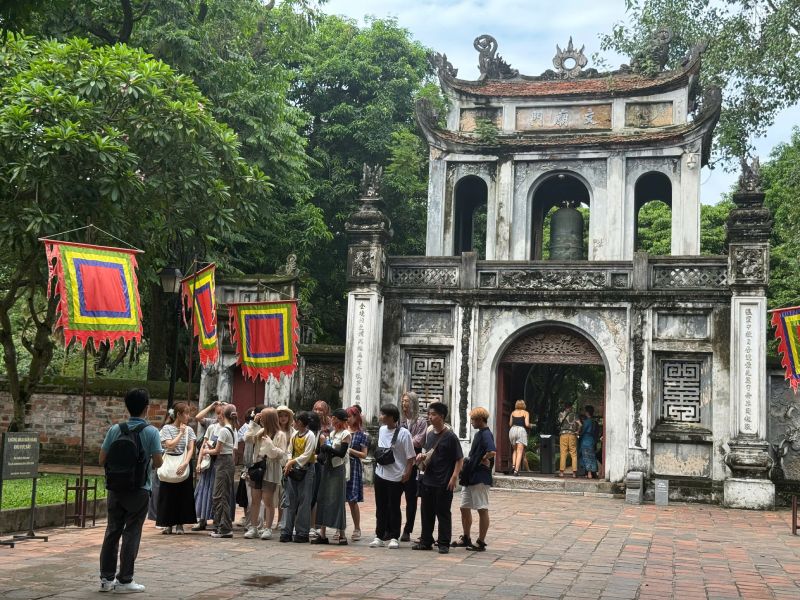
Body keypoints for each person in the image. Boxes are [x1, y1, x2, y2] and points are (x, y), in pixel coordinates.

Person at [98, 388, 163, 593]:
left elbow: (102, 459)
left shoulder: (115, 429)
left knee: (112, 531)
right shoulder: (151, 432)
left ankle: (106, 580)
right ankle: (125, 580)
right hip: (139, 489)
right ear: (147, 408)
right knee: (132, 532)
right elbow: (158, 462)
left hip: (115, 488)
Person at [412, 402, 463, 554]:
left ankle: (443, 543)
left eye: (433, 414)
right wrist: (421, 456)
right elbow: (429, 454)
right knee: (426, 512)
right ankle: (426, 541)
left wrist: (454, 477)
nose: (429, 417)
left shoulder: (451, 437)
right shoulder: (429, 434)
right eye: (429, 414)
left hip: (444, 481)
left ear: (441, 416)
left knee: (443, 513)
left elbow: (459, 459)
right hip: (428, 479)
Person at [369, 404, 415, 550]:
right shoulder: (382, 430)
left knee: (394, 507)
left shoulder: (404, 433)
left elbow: (410, 457)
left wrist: (407, 472)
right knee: (380, 506)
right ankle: (379, 535)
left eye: (383, 415)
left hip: (396, 476)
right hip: (380, 474)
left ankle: (395, 536)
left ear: (391, 417)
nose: (381, 417)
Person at [453, 407, 496, 552]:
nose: (471, 422)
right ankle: (466, 537)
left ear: (479, 419)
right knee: (464, 507)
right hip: (470, 475)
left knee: (482, 508)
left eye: (473, 419)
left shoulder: (486, 434)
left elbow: (492, 451)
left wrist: (484, 458)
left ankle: (481, 541)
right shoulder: (480, 434)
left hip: (480, 476)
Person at [245, 407, 288, 540]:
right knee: (255, 499)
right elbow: (247, 438)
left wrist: (270, 445)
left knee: (268, 500)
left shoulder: (280, 435)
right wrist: (254, 423)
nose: (261, 419)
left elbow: (282, 455)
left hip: (271, 469)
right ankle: (254, 527)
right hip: (258, 469)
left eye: (263, 417)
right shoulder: (260, 432)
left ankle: (268, 528)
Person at [156, 402, 197, 535]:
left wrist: (185, 463)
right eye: (186, 413)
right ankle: (167, 524)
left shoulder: (190, 430)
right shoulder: (167, 428)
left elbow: (191, 448)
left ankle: (180, 524)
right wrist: (180, 433)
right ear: (178, 415)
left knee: (183, 494)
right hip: (170, 462)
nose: (188, 416)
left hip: (183, 462)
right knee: (167, 494)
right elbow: (170, 446)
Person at [313, 408, 351, 545]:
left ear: (340, 420)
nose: (332, 420)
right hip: (327, 468)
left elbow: (341, 453)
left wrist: (329, 449)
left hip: (337, 468)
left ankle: (342, 534)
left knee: (337, 500)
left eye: (334, 418)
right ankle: (322, 533)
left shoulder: (345, 434)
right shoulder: (332, 433)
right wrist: (324, 451)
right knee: (323, 498)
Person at [281, 411, 317, 543]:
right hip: (294, 469)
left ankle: (302, 532)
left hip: (306, 469)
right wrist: (290, 461)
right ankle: (286, 530)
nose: (293, 423)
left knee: (304, 501)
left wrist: (292, 462)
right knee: (289, 500)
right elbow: (290, 450)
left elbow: (307, 454)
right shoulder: (295, 434)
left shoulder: (310, 435)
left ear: (300, 422)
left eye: (295, 421)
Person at [399, 391, 427, 542]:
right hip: (398, 462)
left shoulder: (421, 422)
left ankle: (407, 529)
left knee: (411, 498)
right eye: (403, 401)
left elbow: (419, 441)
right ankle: (393, 527)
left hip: (414, 463)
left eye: (407, 401)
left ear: (414, 403)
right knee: (395, 497)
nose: (404, 404)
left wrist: (404, 440)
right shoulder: (400, 421)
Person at [207, 404, 238, 538]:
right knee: (220, 495)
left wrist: (205, 450)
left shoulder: (225, 430)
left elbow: (217, 450)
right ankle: (220, 525)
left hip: (223, 462)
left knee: (220, 496)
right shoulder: (230, 429)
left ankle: (224, 528)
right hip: (225, 462)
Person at [192, 401, 224, 531]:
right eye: (217, 413)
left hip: (220, 463)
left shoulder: (229, 428)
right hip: (208, 463)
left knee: (216, 492)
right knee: (203, 490)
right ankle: (202, 519)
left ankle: (217, 519)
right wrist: (199, 463)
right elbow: (198, 418)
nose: (219, 416)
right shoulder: (211, 425)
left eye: (221, 413)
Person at [345, 406, 368, 541]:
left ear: (356, 417)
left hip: (353, 467)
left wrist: (350, 450)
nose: (348, 419)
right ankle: (339, 528)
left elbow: (364, 455)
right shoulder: (342, 431)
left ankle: (357, 528)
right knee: (340, 498)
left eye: (351, 416)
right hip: (341, 466)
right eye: (346, 416)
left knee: (352, 500)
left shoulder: (362, 435)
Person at [309, 400, 331, 539]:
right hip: (309, 461)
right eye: (316, 409)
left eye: (321, 409)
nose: (318, 411)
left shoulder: (330, 425)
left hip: (321, 462)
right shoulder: (309, 421)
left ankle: (316, 523)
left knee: (318, 494)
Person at [558, 402, 580, 478]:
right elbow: (580, 424)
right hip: (572, 435)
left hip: (563, 434)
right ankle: (574, 473)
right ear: (571, 407)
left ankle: (561, 473)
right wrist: (578, 431)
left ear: (565, 407)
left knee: (563, 453)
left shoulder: (561, 414)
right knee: (573, 453)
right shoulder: (574, 415)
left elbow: (559, 422)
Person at [508, 400, 530, 476]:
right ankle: (516, 471)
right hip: (521, 430)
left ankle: (513, 466)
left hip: (512, 430)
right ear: (524, 405)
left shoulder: (513, 413)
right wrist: (531, 425)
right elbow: (527, 424)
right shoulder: (526, 413)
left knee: (514, 450)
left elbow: (510, 424)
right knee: (520, 451)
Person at [579, 405, 599, 479]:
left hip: (586, 440)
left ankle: (589, 473)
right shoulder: (594, 422)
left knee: (586, 456)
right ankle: (593, 473)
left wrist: (578, 432)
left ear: (587, 412)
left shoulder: (587, 422)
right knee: (592, 456)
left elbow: (582, 431)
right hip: (592, 440)